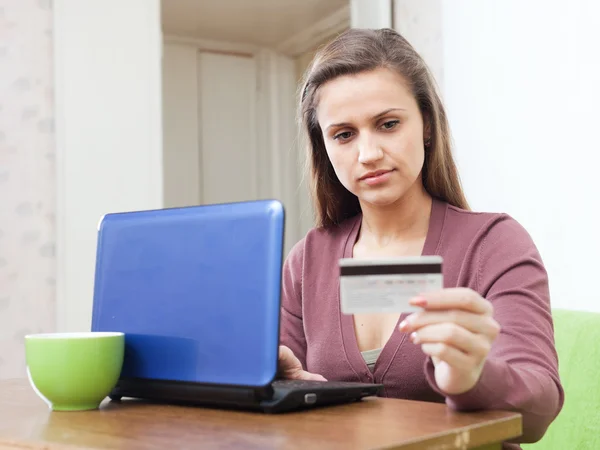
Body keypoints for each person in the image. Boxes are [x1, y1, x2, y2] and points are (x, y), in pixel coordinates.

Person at [277, 28, 563, 448]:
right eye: (344, 134)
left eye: (388, 124)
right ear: (324, 147)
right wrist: (278, 384)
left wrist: (471, 377)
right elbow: (287, 395)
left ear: (426, 124)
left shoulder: (495, 243)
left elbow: (539, 410)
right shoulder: (307, 260)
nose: (368, 153)